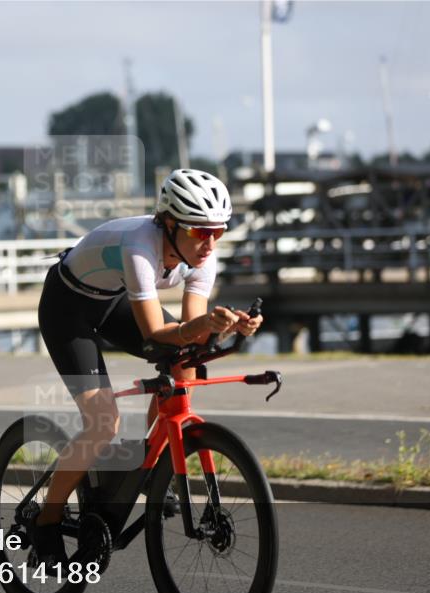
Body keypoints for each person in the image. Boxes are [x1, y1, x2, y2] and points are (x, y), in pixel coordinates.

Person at [33, 168, 263, 564]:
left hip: (112, 300)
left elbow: (191, 332)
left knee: (186, 365)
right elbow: (156, 333)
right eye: (199, 231)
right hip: (67, 307)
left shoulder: (203, 255)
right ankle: (46, 521)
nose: (209, 243)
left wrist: (229, 327)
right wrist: (204, 326)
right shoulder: (140, 246)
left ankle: (145, 462)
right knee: (103, 423)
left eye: (218, 232)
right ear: (169, 224)